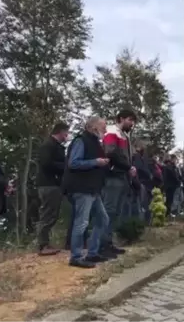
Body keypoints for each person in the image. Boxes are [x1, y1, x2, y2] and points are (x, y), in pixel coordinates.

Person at [62, 116, 110, 268]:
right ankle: (76, 256)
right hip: (81, 188)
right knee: (81, 222)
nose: (106, 129)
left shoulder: (96, 143)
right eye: (103, 126)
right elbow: (73, 163)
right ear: (93, 127)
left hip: (93, 189)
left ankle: (92, 253)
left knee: (103, 219)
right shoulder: (80, 141)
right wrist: (96, 162)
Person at [101, 109, 137, 257]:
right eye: (130, 120)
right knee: (109, 210)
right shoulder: (112, 131)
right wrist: (128, 166)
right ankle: (103, 243)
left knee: (115, 211)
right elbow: (111, 152)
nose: (132, 123)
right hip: (113, 175)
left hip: (122, 176)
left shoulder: (124, 135)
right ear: (121, 119)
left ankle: (109, 242)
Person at [35, 122, 69, 256]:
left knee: (52, 215)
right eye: (66, 132)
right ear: (60, 132)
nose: (67, 135)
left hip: (54, 184)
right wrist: (65, 167)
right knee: (47, 214)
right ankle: (42, 245)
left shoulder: (57, 146)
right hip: (48, 184)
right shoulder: (48, 145)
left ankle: (45, 243)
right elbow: (46, 163)